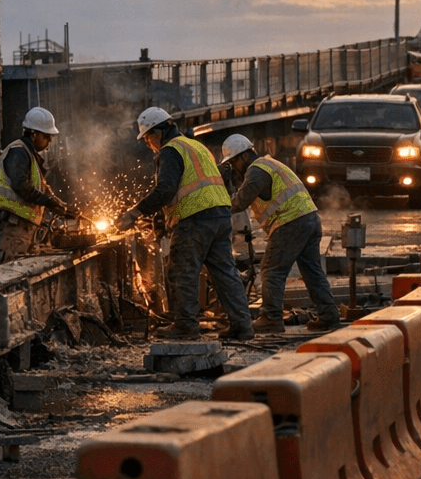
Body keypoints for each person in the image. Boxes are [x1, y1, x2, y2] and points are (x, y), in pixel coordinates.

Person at [118, 107, 253, 341]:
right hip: (220, 215)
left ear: (157, 132)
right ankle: (242, 325)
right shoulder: (196, 145)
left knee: (183, 270)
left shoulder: (170, 151)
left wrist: (135, 212)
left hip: (195, 217)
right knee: (225, 273)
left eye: (147, 138)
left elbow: (166, 189)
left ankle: (186, 325)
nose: (148, 144)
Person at [218, 133, 340, 335]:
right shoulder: (269, 164)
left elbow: (239, 202)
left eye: (233, 162)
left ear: (243, 157)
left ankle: (271, 317)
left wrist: (218, 198)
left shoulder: (256, 171)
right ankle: (329, 315)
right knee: (312, 272)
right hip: (309, 219)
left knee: (271, 270)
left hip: (290, 222)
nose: (234, 167)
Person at [0, 106, 75, 260]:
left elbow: (41, 186)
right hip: (13, 226)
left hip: (22, 227)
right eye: (46, 136)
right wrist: (48, 201)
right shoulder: (18, 152)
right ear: (33, 134)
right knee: (12, 269)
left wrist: (57, 203)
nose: (50, 141)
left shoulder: (29, 155)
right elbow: (21, 185)